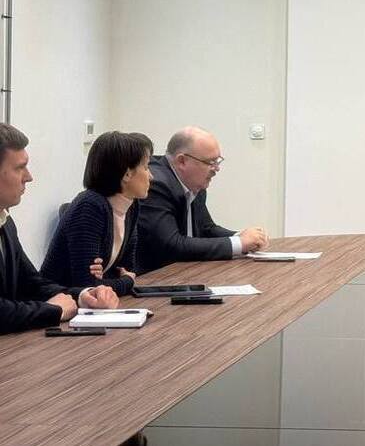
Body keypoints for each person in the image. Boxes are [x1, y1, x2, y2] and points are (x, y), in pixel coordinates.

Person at [0, 124, 120, 334]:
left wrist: (83, 296)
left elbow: (31, 284)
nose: (29, 177)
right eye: (20, 168)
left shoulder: (5, 221)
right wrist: (52, 311)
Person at [136, 126, 269, 273]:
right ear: (182, 161)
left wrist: (241, 237)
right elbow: (171, 245)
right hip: (154, 278)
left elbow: (206, 229)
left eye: (218, 161)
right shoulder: (156, 184)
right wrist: (239, 243)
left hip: (185, 273)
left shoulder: (193, 183)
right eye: (210, 162)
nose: (216, 169)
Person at [40, 132, 152, 296]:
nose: (151, 176)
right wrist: (126, 281)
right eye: (146, 167)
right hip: (60, 301)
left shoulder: (132, 206)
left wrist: (114, 278)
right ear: (127, 174)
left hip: (95, 303)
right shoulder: (90, 206)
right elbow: (87, 286)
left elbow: (127, 268)